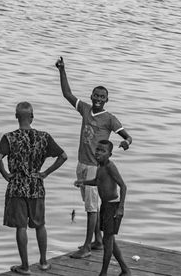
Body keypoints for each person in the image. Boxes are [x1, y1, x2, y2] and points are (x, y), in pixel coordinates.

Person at [55, 56, 133, 259]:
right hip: (81, 163)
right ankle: (98, 241)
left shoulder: (110, 118)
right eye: (96, 95)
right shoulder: (85, 109)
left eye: (102, 96)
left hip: (93, 167)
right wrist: (62, 70)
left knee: (91, 209)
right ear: (91, 96)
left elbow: (128, 136)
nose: (98, 98)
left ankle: (87, 247)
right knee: (90, 206)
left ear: (107, 100)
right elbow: (67, 94)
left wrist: (124, 143)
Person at [0, 102, 68, 275]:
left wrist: (6, 174)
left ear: (16, 116)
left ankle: (25, 266)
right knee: (40, 224)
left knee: (21, 227)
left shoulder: (9, 137)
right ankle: (43, 262)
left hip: (17, 186)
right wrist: (45, 173)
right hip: (36, 185)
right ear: (32, 116)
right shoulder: (44, 137)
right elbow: (63, 156)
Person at [75, 140, 131, 276]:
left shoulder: (110, 167)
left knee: (107, 242)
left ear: (110, 154)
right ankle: (125, 270)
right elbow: (97, 182)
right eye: (97, 149)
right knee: (110, 240)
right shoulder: (100, 166)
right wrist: (83, 182)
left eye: (103, 151)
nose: (98, 152)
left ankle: (103, 273)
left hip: (113, 205)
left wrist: (121, 208)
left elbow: (123, 186)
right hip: (105, 205)